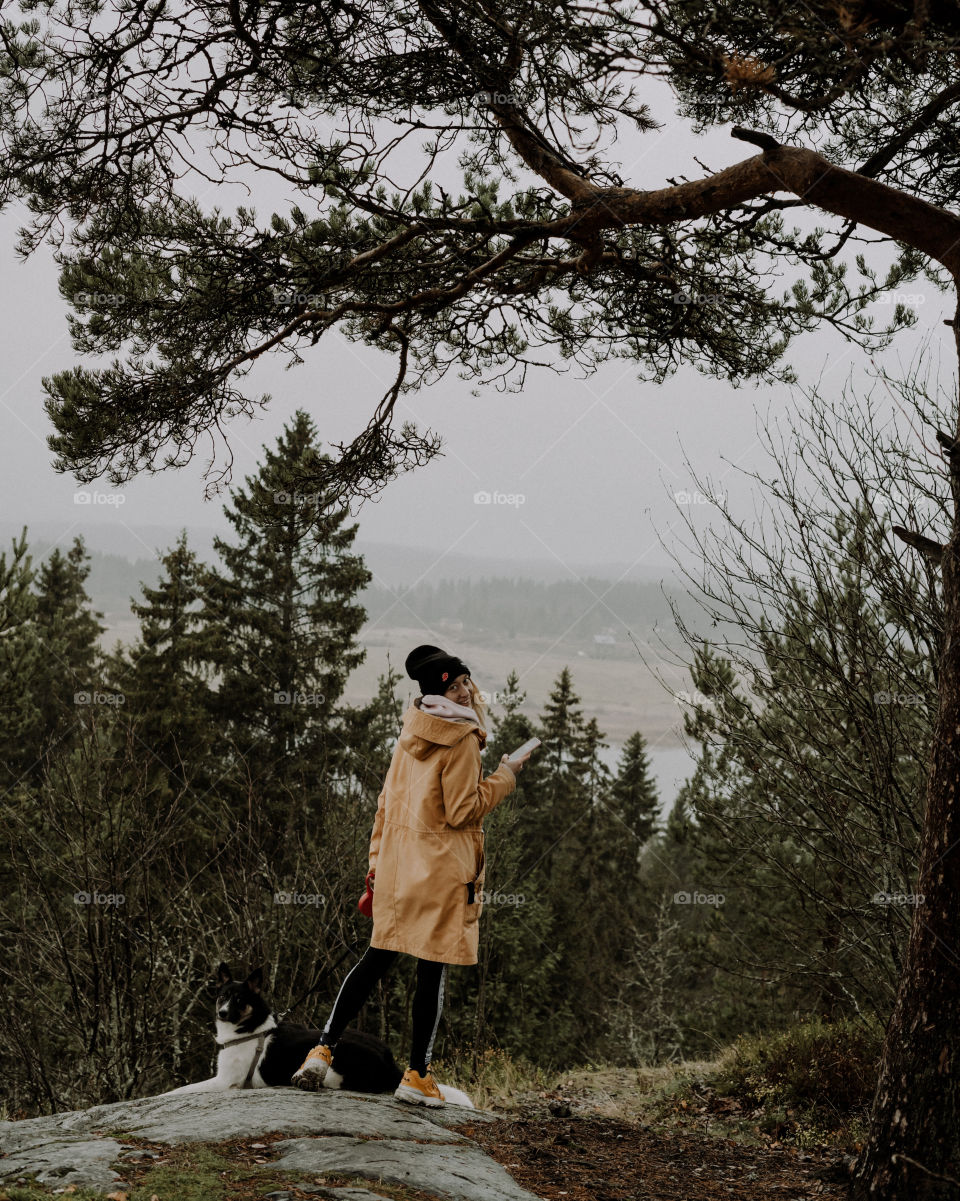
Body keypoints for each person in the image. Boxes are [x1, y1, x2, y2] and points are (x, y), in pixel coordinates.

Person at [292, 643, 534, 1106]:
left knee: (374, 959)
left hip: (400, 867)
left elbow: (385, 806)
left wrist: (375, 865)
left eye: (466, 682)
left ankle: (321, 1050)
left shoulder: (413, 729)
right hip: (441, 872)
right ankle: (417, 1075)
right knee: (431, 972)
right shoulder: (461, 740)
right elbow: (464, 810)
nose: (466, 692)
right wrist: (505, 774)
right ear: (440, 690)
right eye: (458, 685)